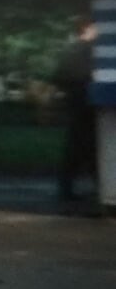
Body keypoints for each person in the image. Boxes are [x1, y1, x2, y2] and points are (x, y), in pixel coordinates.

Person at [53, 16, 98, 206]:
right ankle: (99, 186)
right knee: (88, 146)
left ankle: (67, 188)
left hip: (75, 103)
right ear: (87, 28)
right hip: (88, 103)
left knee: (77, 146)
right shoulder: (89, 50)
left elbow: (58, 76)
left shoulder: (69, 50)